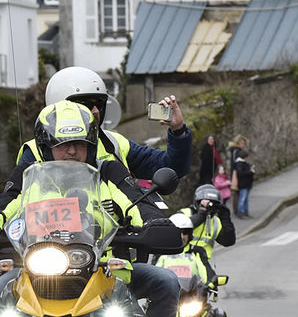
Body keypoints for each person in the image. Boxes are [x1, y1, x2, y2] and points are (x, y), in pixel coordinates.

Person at [0, 101, 187, 317]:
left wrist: (156, 224)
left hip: (105, 268)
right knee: (2, 299)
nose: (71, 150)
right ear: (45, 145)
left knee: (162, 284)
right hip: (40, 273)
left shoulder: (106, 174)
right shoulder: (29, 182)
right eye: (62, 143)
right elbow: (5, 207)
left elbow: (138, 202)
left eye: (80, 143)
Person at [17, 66, 192, 180]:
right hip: (52, 235)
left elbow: (172, 168)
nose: (95, 111)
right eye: (86, 105)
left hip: (113, 236)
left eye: (99, 104)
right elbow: (16, 200)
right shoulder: (35, 151)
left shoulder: (114, 143)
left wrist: (178, 131)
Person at [179, 184, 236, 263]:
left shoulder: (215, 221)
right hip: (180, 260)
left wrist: (225, 218)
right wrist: (202, 214)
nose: (209, 207)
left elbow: (229, 241)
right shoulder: (185, 213)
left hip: (202, 264)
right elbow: (178, 229)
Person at [232, 148, 255, 218]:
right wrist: (250, 172)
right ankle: (240, 213)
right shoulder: (239, 164)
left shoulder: (244, 163)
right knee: (242, 199)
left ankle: (246, 212)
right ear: (245, 157)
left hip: (247, 184)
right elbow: (240, 174)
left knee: (246, 200)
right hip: (243, 184)